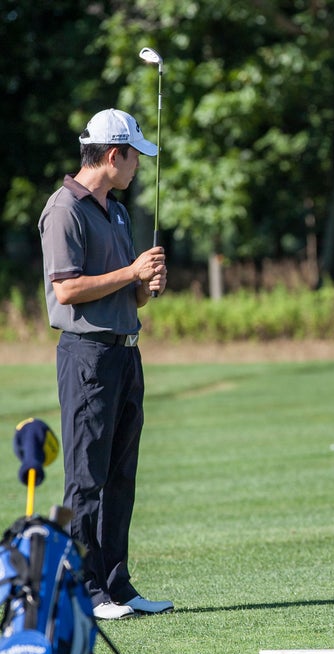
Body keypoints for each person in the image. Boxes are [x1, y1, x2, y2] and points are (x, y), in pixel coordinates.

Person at [38, 108, 171, 620]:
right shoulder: (64, 210)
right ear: (114, 156)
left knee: (120, 476)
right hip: (87, 357)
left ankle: (117, 585)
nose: (138, 166)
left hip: (125, 354)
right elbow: (67, 289)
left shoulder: (115, 211)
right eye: (135, 157)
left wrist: (146, 284)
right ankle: (86, 590)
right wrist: (131, 272)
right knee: (86, 477)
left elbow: (130, 295)